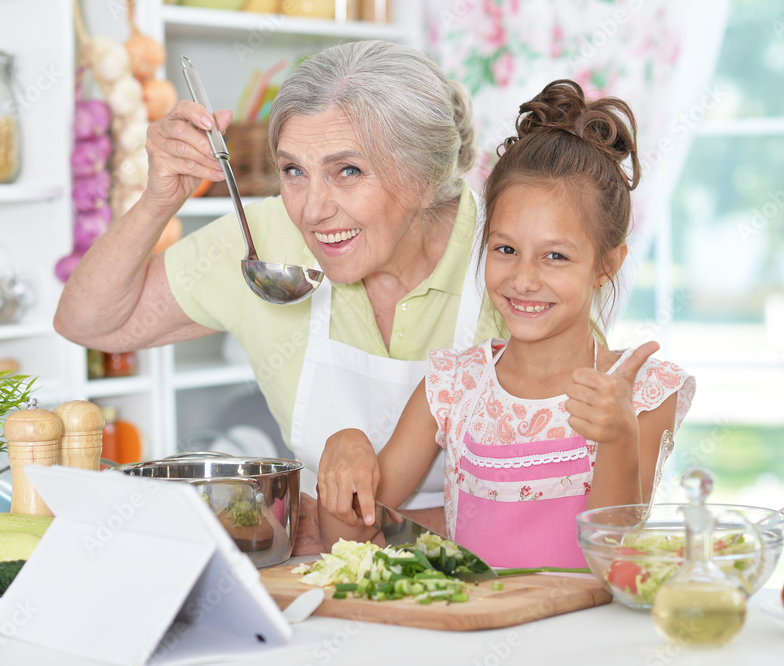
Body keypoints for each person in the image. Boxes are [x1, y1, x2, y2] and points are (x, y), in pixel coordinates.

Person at [53, 41, 505, 551]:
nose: (312, 211)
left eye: (348, 171)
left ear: (425, 175)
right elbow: (86, 322)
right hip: (328, 581)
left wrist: (343, 527)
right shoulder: (269, 239)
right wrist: (159, 199)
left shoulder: (513, 257)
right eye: (294, 171)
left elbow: (574, 489)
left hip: (496, 582)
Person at [316, 79, 696, 567]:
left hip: (588, 641)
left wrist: (618, 436)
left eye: (555, 256)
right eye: (506, 249)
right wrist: (344, 449)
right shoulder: (454, 386)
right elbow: (349, 540)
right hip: (472, 638)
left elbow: (614, 561)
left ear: (607, 265)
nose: (524, 278)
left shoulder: (638, 390)